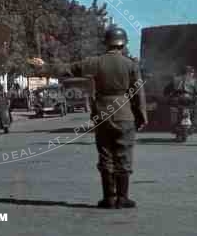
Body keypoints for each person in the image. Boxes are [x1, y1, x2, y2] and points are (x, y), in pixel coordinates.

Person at [30, 26, 147, 209]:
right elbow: (139, 94)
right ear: (123, 44)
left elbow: (68, 69)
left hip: (102, 113)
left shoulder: (96, 62)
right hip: (124, 114)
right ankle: (123, 198)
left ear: (106, 42)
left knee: (106, 154)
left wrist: (44, 67)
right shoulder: (131, 65)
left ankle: (108, 198)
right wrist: (141, 117)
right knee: (123, 155)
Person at [164, 65, 197, 131]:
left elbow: (166, 91)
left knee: (169, 108)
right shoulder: (194, 81)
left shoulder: (175, 80)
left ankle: (174, 125)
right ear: (188, 73)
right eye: (191, 72)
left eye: (192, 72)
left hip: (177, 100)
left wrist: (168, 96)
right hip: (189, 101)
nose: (192, 74)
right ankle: (194, 125)